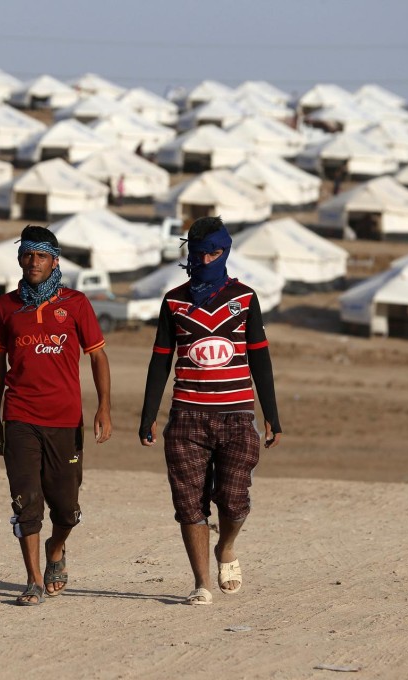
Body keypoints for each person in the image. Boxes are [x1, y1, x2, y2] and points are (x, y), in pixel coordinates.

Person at [138, 215, 282, 606]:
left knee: (235, 499)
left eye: (214, 254)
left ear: (226, 252)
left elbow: (260, 360)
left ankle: (226, 547)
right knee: (189, 502)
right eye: (199, 255)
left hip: (237, 415)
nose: (205, 262)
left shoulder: (246, 299)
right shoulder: (173, 301)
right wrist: (148, 414)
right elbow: (159, 362)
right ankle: (201, 582)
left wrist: (271, 413)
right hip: (186, 417)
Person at [0, 225, 113, 606]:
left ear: (54, 260)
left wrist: (104, 406)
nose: (33, 262)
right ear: (20, 258)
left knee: (67, 510)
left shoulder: (75, 303)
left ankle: (56, 549)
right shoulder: (5, 307)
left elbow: (98, 356)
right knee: (26, 500)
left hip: (65, 419)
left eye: (41, 255)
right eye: (27, 254)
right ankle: (33, 580)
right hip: (20, 414)